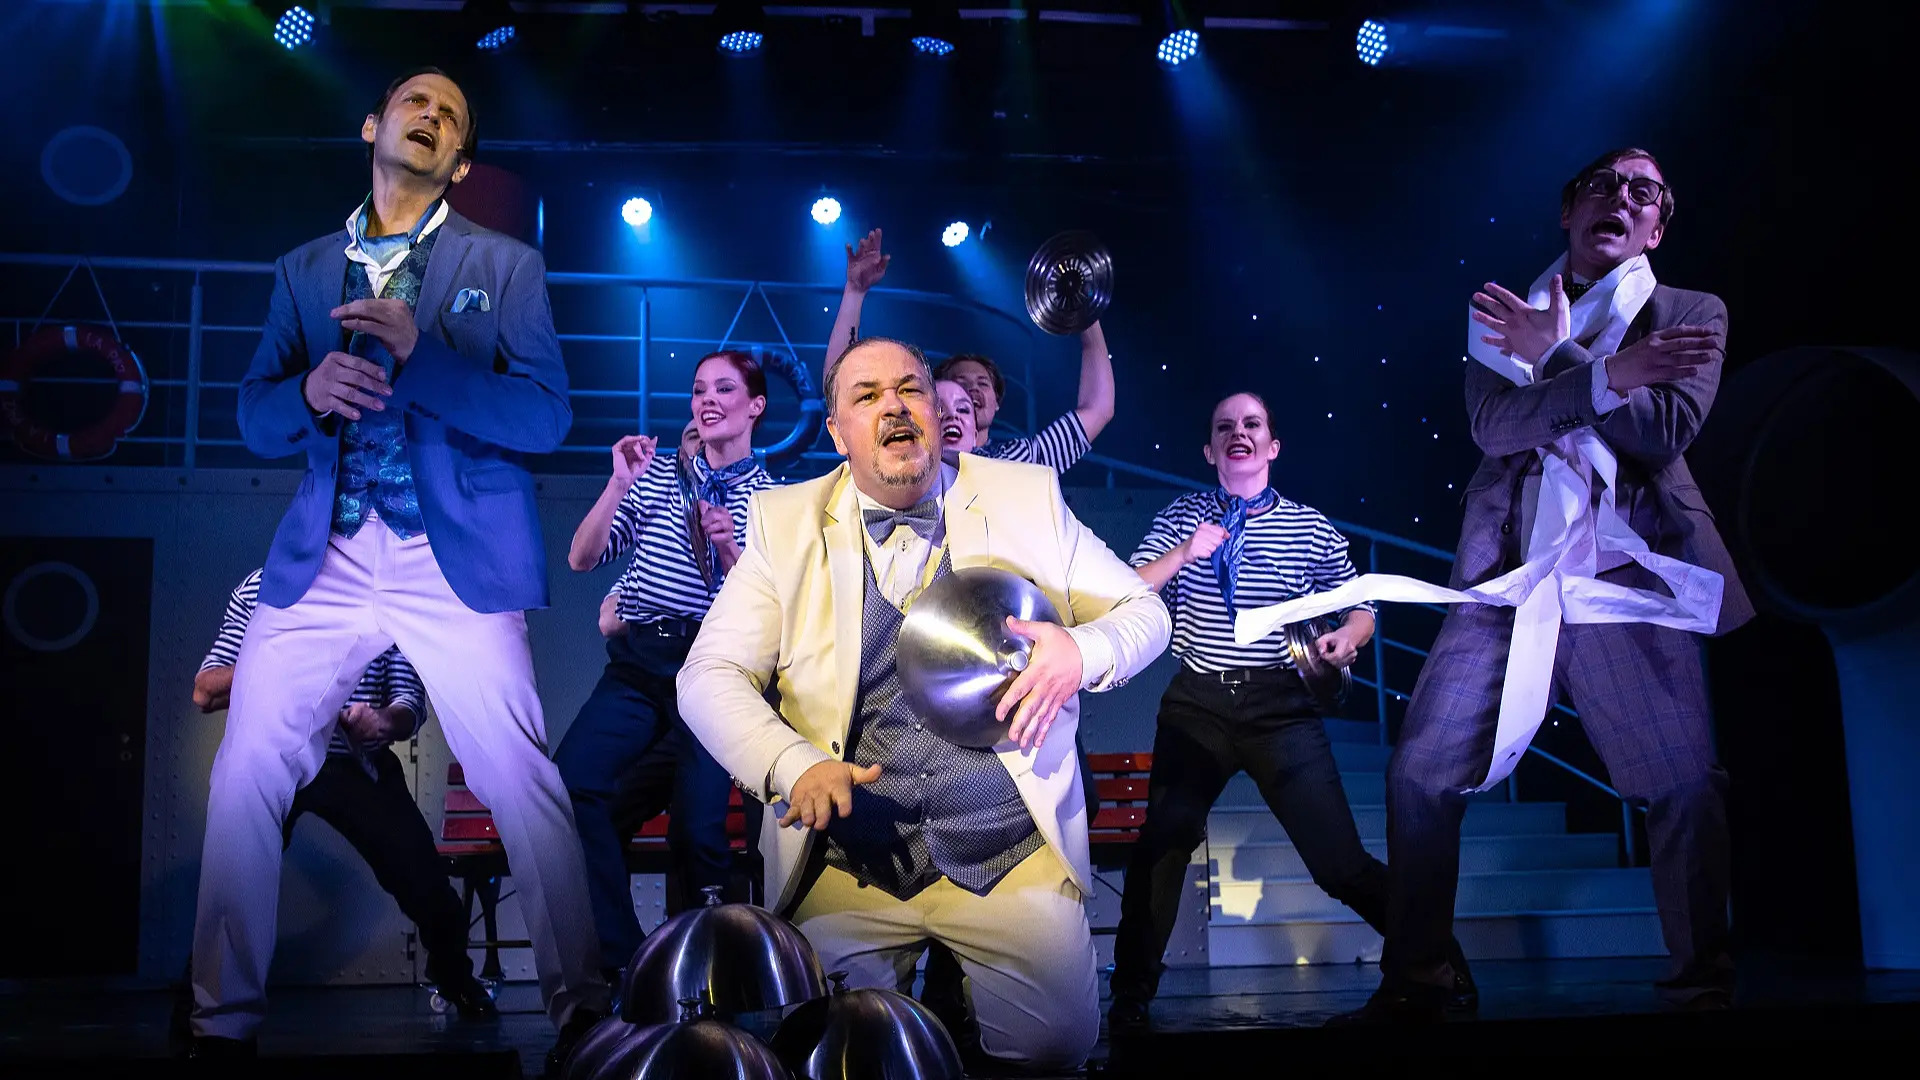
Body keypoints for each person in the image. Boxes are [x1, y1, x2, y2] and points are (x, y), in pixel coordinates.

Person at [186, 67, 607, 1072]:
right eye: (416, 101)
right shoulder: (302, 269)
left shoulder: (505, 265)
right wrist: (307, 393)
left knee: (518, 773)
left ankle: (582, 1010)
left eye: (451, 116)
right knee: (247, 768)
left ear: (458, 164)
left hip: (450, 557)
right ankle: (218, 1022)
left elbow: (547, 417)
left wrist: (425, 356)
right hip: (325, 554)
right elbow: (253, 414)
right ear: (374, 126)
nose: (432, 115)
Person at [1336, 148, 1752, 1023]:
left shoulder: (1690, 313)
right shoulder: (1504, 311)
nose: (1620, 197)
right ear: (1568, 211)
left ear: (1657, 227)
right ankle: (1420, 977)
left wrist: (1557, 355)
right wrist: (1609, 375)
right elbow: (1496, 426)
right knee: (1419, 775)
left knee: (1684, 785)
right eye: (1602, 184)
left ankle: (1702, 985)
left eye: (1642, 192)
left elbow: (1663, 431)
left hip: (1624, 577)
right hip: (1510, 575)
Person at [676, 337, 1170, 1071]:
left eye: (910, 389)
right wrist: (791, 763)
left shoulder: (1023, 499)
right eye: (867, 395)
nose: (894, 406)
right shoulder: (785, 523)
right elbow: (707, 674)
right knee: (834, 1055)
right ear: (837, 432)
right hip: (850, 860)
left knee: (1055, 1045)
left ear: (938, 413)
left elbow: (1144, 613)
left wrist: (1081, 652)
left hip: (1004, 847)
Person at [1105, 392, 1473, 1029]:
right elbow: (1130, 588)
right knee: (1164, 840)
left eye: (1252, 424)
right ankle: (1130, 997)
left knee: (1339, 864)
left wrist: (1347, 639)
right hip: (1199, 700)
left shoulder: (1309, 527)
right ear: (1210, 450)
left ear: (1272, 446)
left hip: (1281, 706)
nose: (1239, 433)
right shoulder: (1181, 517)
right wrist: (1185, 553)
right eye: (1225, 426)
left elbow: (1362, 607)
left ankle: (1439, 963)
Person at [174, 569, 495, 1046]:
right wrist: (279, 666)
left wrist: (383, 720)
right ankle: (199, 1008)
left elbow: (407, 701)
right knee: (234, 880)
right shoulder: (263, 586)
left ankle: (453, 975)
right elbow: (206, 689)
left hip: (354, 763)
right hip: (277, 755)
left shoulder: (384, 585)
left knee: (427, 886)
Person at [555, 353, 776, 987]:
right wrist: (617, 483)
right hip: (643, 660)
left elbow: (771, 608)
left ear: (755, 406)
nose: (707, 399)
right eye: (699, 389)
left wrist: (729, 546)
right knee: (570, 783)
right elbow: (581, 558)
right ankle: (627, 961)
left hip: (713, 667)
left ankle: (711, 982)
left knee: (699, 833)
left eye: (725, 389)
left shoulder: (772, 499)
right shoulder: (656, 477)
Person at [826, 227, 1116, 474]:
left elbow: (1098, 408)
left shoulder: (1021, 461)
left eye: (981, 385)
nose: (972, 391)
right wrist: (855, 292)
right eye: (960, 384)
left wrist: (1084, 309)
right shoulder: (903, 454)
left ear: (996, 403)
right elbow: (842, 385)